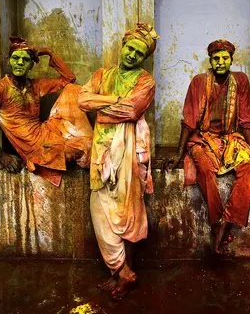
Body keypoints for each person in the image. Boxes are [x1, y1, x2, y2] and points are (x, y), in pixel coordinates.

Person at [78, 22, 158, 300]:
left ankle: (125, 273)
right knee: (100, 210)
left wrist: (103, 109)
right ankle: (120, 272)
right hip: (102, 150)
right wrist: (113, 99)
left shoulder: (145, 81)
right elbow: (83, 100)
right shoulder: (102, 74)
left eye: (139, 52)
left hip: (130, 151)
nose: (132, 55)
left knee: (128, 212)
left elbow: (132, 110)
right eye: (130, 48)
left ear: (144, 57)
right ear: (122, 47)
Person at [168, 39, 250, 254]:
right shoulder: (199, 81)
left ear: (231, 60)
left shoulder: (241, 80)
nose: (220, 62)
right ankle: (217, 223)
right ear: (210, 60)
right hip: (202, 138)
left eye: (225, 58)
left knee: (249, 165)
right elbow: (189, 119)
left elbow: (246, 118)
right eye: (216, 58)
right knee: (205, 169)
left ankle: (228, 221)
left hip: (230, 138)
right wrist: (179, 152)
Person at [0, 36, 92, 187]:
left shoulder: (34, 85)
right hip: (35, 148)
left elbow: (69, 78)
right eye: (16, 58)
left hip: (46, 131)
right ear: (9, 61)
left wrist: (48, 52)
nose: (20, 63)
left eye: (25, 59)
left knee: (73, 90)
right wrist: (0, 156)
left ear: (31, 65)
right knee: (83, 147)